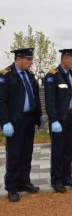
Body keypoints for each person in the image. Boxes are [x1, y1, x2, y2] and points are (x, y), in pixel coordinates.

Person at [0, 48, 42, 202]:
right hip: (15, 122)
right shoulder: (6, 75)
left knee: (26, 154)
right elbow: (1, 101)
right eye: (29, 60)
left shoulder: (30, 76)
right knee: (14, 155)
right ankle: (11, 186)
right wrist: (5, 122)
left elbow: (35, 97)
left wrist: (39, 116)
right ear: (19, 58)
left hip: (29, 120)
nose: (31, 63)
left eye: (31, 60)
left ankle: (24, 182)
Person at [44, 48, 72, 193]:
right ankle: (56, 180)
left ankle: (67, 177)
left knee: (69, 150)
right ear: (64, 58)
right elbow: (50, 100)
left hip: (71, 117)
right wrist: (53, 120)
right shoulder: (52, 76)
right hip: (59, 119)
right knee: (58, 151)